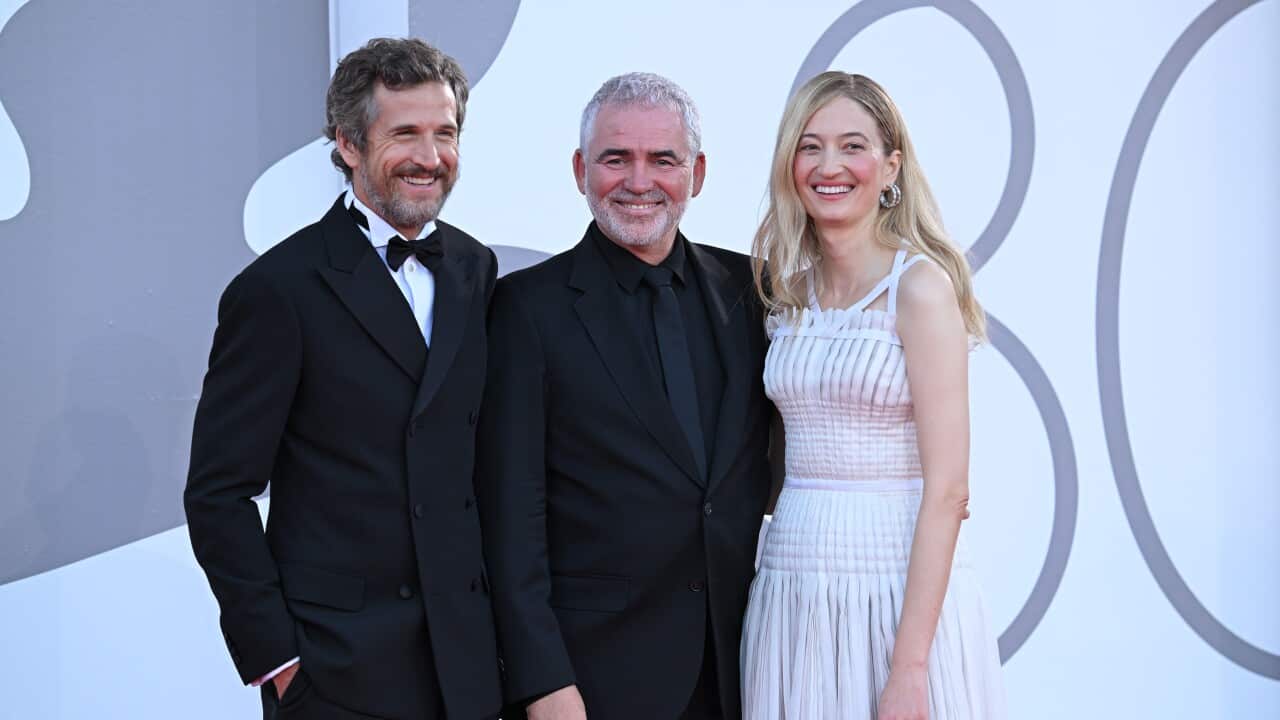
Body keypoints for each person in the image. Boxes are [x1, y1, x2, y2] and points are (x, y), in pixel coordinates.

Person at [184, 38, 502, 720]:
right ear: (350, 145)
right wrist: (277, 658)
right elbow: (218, 492)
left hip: (467, 666)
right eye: (405, 134)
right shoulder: (277, 290)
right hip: (336, 674)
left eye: (445, 133)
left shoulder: (477, 269)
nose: (429, 157)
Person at [476, 73, 773, 720]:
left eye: (662, 159)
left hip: (746, 666)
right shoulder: (527, 311)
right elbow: (508, 516)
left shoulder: (753, 292)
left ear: (696, 173)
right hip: (596, 678)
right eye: (616, 158)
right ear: (582, 169)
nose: (639, 181)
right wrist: (542, 682)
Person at [739, 71, 1007, 719]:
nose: (829, 166)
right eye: (809, 146)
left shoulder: (919, 289)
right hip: (792, 586)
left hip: (895, 594)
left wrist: (910, 666)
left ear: (890, 167)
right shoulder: (784, 297)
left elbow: (949, 490)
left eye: (852, 146)